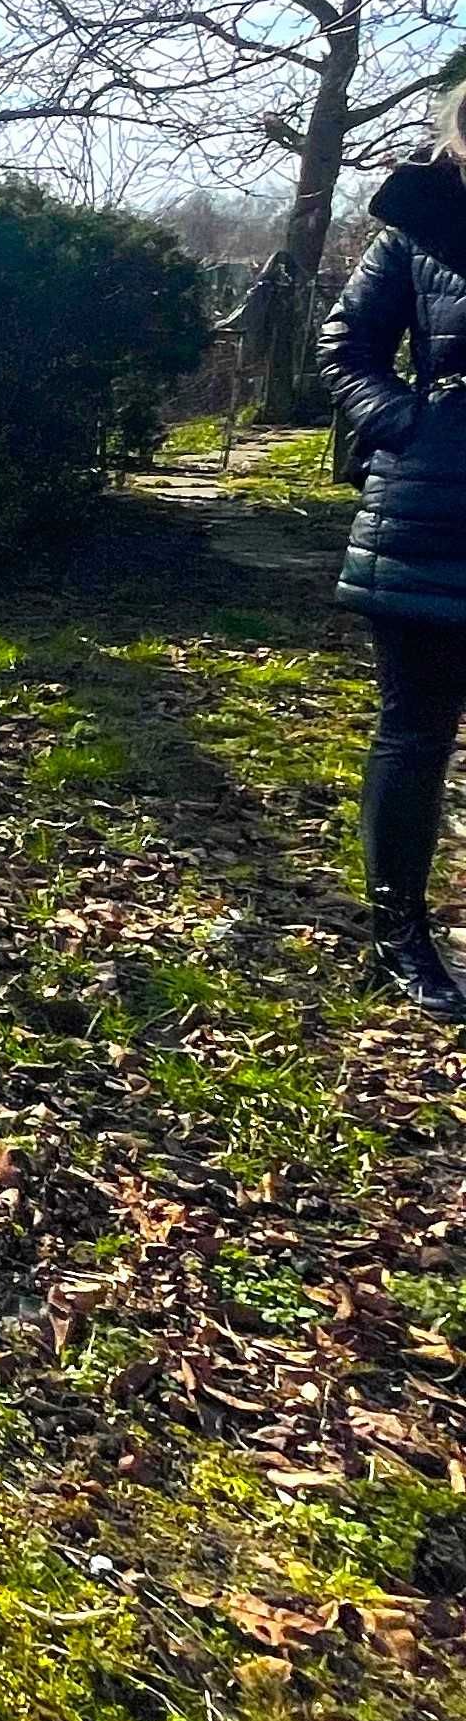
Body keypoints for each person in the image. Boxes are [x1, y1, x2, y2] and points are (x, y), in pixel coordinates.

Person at [323, 79, 466, 1017]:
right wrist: (410, 425)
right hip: (430, 514)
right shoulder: (417, 226)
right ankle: (399, 933)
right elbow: (344, 344)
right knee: (416, 733)